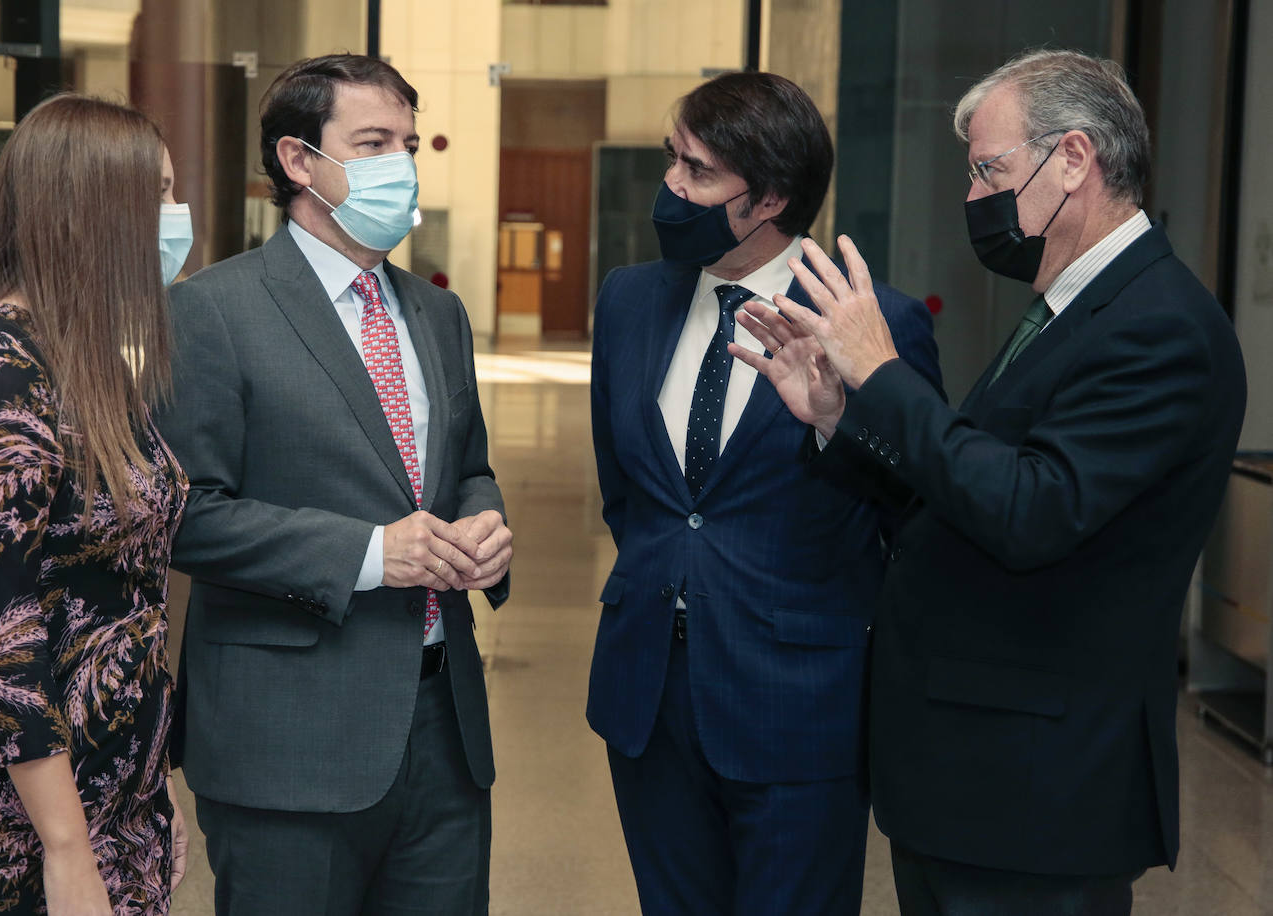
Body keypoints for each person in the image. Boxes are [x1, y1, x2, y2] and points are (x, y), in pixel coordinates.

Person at [734, 49, 1246, 915]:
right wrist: (835, 415)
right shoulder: (1073, 307)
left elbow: (1029, 511)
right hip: (973, 783)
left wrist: (883, 373)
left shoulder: (1162, 328)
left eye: (988, 170)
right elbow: (963, 488)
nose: (974, 199)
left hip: (1038, 797)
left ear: (1075, 159)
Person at [154, 53, 512, 915]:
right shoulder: (212, 310)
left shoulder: (437, 312)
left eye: (410, 143)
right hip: (289, 738)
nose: (403, 164)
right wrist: (368, 552)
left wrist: (486, 520)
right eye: (375, 142)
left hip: (443, 731)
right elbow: (184, 515)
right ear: (299, 161)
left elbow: (467, 467)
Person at [588, 71, 941, 916]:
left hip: (797, 705)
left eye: (699, 173)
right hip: (649, 697)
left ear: (770, 198)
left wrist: (831, 425)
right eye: (672, 160)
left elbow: (918, 504)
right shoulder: (630, 300)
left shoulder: (870, 322)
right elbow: (627, 495)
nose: (671, 187)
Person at [0, 94, 191, 915]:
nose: (176, 220)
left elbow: (129, 595)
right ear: (88, 211)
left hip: (116, 796)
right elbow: (8, 640)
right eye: (158, 196)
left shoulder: (87, 362)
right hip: (22, 822)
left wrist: (152, 794)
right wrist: (67, 853)